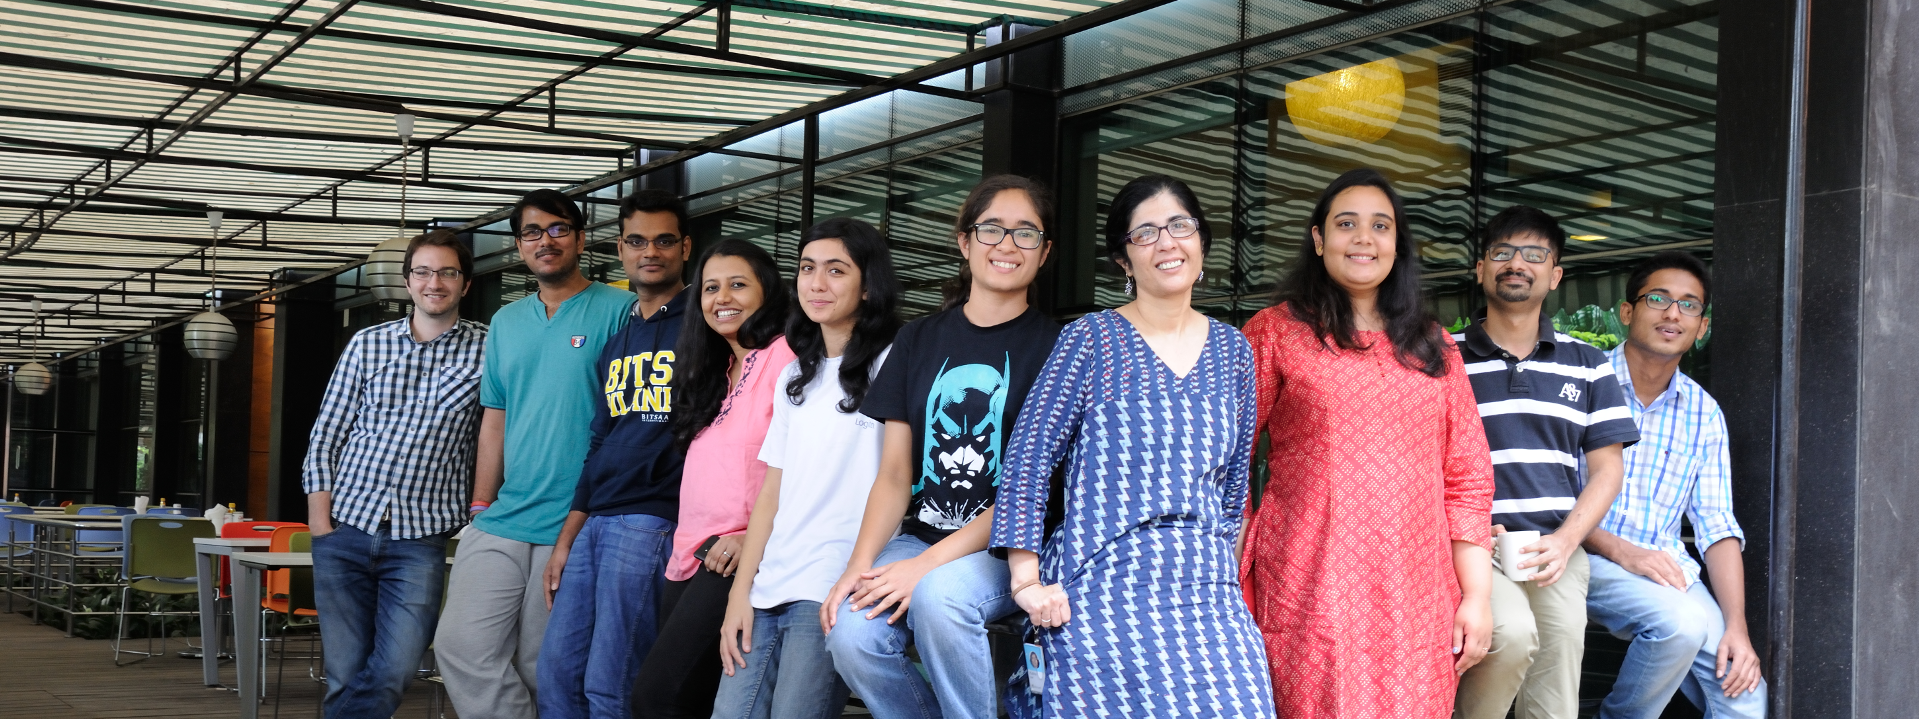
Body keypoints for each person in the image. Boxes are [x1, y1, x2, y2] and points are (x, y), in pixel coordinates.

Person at [990, 174, 1274, 718]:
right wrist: (1026, 580)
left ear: (1201, 241)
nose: (1166, 242)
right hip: (1104, 580)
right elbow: (1029, 456)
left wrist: (1223, 583)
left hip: (1206, 588)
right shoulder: (1090, 339)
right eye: (1144, 234)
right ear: (1123, 260)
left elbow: (1234, 491)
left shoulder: (1233, 350)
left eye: (1179, 226)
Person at [1241, 168, 1496, 719]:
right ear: (1318, 238)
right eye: (1346, 224)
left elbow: (1467, 477)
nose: (1364, 238)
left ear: (1397, 243)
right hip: (1312, 582)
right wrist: (1231, 567)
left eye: (1381, 226)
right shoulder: (1275, 331)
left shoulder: (1434, 343)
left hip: (1416, 590)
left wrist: (1476, 596)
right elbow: (1229, 459)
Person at [821, 176, 1062, 719]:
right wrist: (857, 569)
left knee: (941, 597)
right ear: (964, 241)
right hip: (923, 535)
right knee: (852, 633)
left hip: (1011, 548)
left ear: (1045, 253)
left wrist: (925, 567)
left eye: (1026, 233)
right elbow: (894, 474)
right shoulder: (918, 338)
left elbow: (1033, 492)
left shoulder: (1059, 348)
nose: (1006, 244)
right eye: (992, 229)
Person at [435, 189, 635, 719]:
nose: (545, 241)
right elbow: (494, 417)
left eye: (558, 229)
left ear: (581, 238)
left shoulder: (621, 311)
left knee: (539, 665)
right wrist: (480, 506)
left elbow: (626, 422)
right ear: (519, 244)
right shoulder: (505, 321)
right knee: (459, 647)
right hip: (503, 518)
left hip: (576, 520)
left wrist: (595, 512)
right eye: (531, 232)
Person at [712, 217, 902, 719]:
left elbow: (899, 481)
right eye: (807, 268)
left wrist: (855, 577)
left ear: (867, 286)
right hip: (769, 584)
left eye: (836, 270)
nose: (817, 283)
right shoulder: (795, 375)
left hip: (832, 587)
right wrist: (740, 593)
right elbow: (772, 491)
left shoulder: (894, 365)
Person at [1451, 206, 1637, 719]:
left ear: (1555, 275)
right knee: (1502, 646)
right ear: (1481, 268)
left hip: (1557, 553)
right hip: (1473, 549)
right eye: (1504, 252)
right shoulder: (1445, 357)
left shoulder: (1588, 362)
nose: (1518, 264)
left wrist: (1566, 540)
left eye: (1535, 255)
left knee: (1554, 706)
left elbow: (1607, 470)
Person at [302, 230, 485, 719]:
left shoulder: (489, 350)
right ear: (407, 282)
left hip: (419, 540)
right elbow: (326, 436)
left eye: (448, 272)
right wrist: (322, 526)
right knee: (344, 675)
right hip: (345, 530)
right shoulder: (367, 344)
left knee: (394, 670)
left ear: (464, 284)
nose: (435, 282)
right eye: (423, 271)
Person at [1581, 251, 1765, 719]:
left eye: (1689, 305)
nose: (1672, 313)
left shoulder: (1704, 413)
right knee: (1678, 626)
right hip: (1578, 555)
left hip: (1665, 571)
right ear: (1627, 312)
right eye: (1658, 298)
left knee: (1744, 697)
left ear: (1702, 327)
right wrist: (1622, 551)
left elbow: (1717, 526)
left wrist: (1736, 629)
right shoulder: (1581, 385)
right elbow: (1546, 497)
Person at [536, 189, 694, 718]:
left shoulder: (705, 327)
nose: (651, 251)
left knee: (612, 683)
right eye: (637, 241)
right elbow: (599, 444)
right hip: (596, 521)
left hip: (650, 519)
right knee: (556, 674)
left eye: (664, 240)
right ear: (622, 251)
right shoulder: (618, 340)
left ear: (685, 248)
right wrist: (566, 538)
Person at [632, 238, 794, 719]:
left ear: (767, 292)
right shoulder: (715, 369)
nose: (721, 297)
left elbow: (808, 462)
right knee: (693, 700)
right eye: (710, 288)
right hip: (690, 554)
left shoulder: (785, 356)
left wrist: (751, 536)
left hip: (739, 557)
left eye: (738, 285)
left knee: (658, 697)